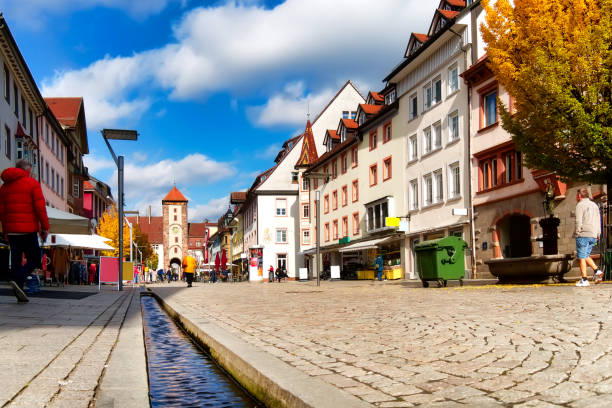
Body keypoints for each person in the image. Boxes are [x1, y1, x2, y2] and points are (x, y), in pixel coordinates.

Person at [0, 159, 49, 302]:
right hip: (28, 230)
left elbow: (2, 212)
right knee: (34, 258)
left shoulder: (4, 187)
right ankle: (18, 278)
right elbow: (40, 208)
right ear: (26, 170)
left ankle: (19, 292)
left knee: (16, 262)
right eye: (30, 169)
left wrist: (6, 231)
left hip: (12, 231)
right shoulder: (32, 183)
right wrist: (45, 227)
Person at [575, 188, 603, 286]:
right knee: (586, 255)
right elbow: (599, 220)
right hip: (594, 235)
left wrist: (577, 233)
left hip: (583, 234)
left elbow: (578, 221)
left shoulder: (580, 205)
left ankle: (584, 280)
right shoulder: (594, 205)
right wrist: (598, 234)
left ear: (579, 196)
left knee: (581, 257)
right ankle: (597, 271)